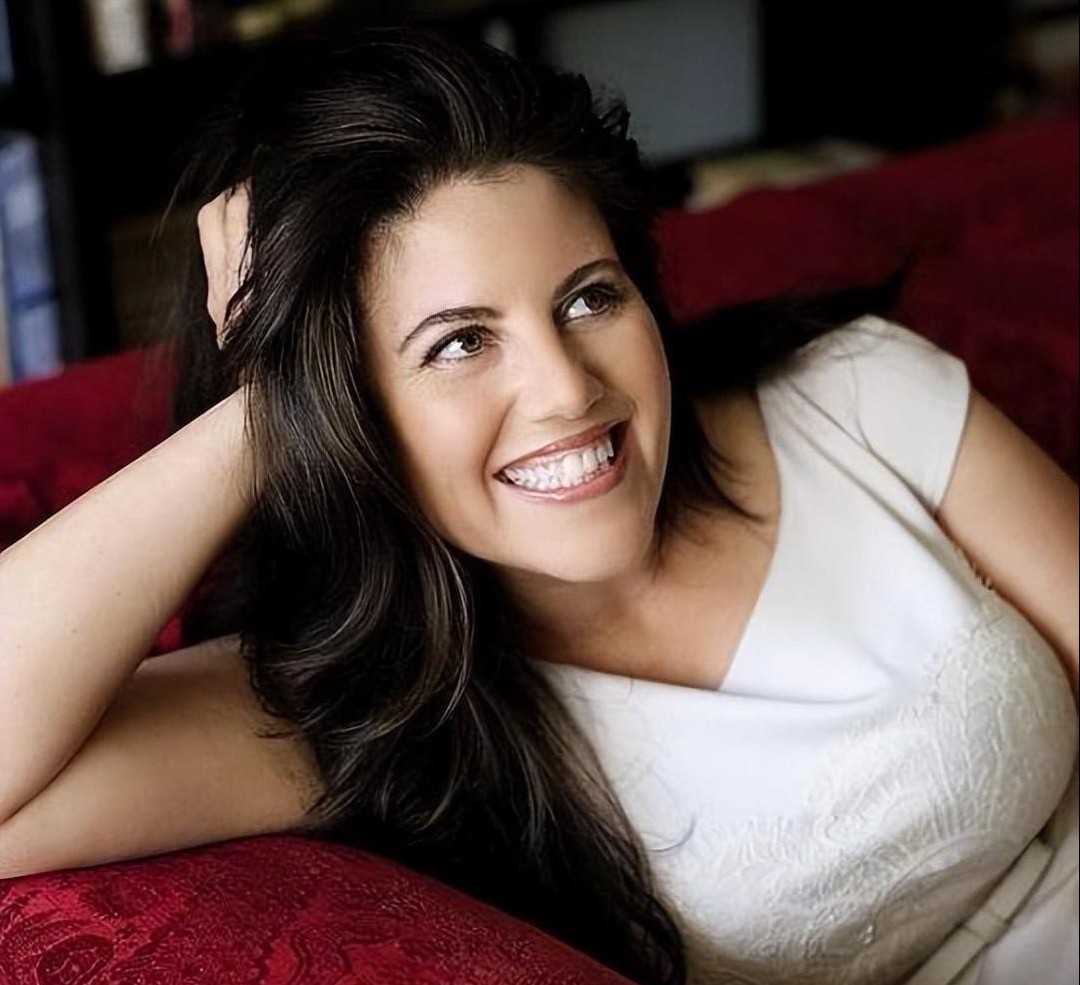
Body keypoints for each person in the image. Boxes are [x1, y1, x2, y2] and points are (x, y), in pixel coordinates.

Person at [0, 27, 1075, 985]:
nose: (566, 388)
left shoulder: (851, 393)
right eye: (459, 343)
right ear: (343, 407)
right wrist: (269, 402)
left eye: (589, 297)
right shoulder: (359, 714)